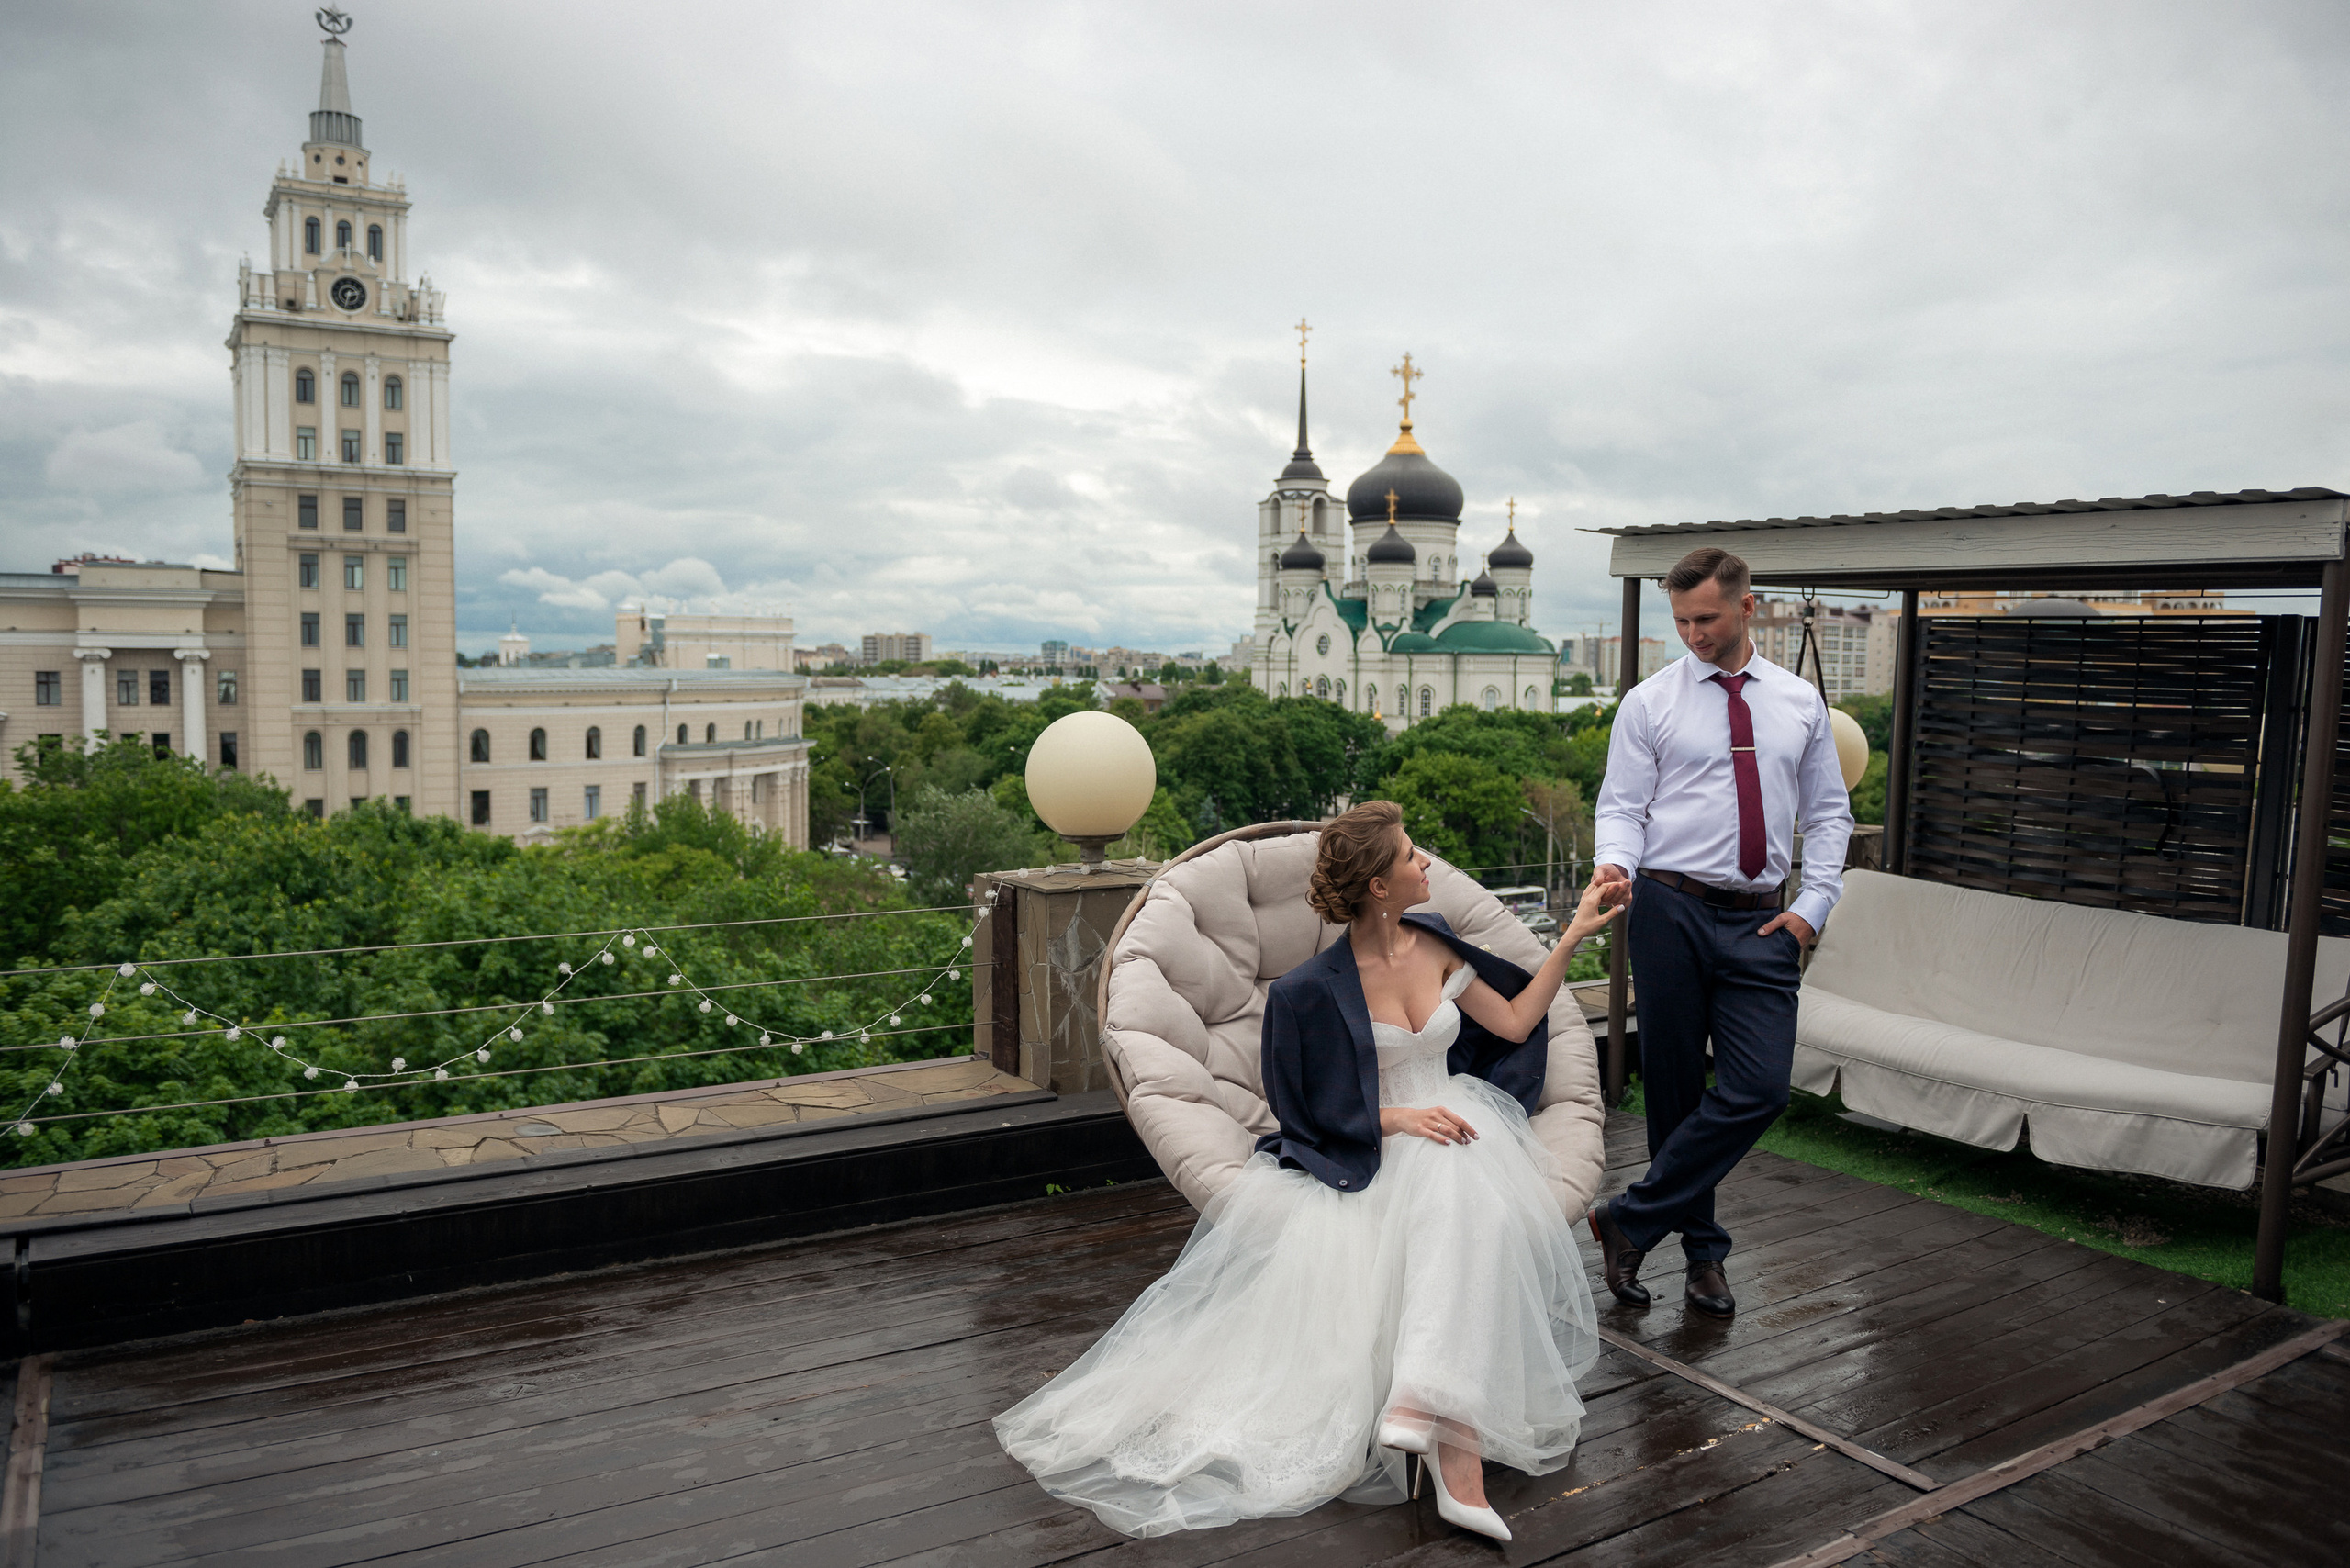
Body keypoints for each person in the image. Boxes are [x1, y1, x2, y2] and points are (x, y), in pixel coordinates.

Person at [993, 801, 1617, 1541]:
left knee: (1460, 1186)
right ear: (1379, 888)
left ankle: (1422, 1409)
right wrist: (1396, 1119)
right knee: (1448, 1187)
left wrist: (1575, 932)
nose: (1427, 865)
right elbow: (1299, 1113)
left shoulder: (1437, 941)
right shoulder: (1308, 991)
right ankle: (1458, 1463)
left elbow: (1513, 1024)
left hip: (1460, 1124)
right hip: (1372, 1146)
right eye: (1412, 856)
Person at [1587, 546, 1853, 1319]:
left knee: (1758, 1089)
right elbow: (1622, 807)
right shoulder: (1650, 703)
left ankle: (1627, 1220)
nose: (1693, 635)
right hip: (1668, 909)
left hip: (1764, 919)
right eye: (1680, 621)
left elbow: (1830, 815)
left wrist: (1813, 907)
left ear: (1748, 606)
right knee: (1673, 1090)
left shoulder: (1800, 703)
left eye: (1705, 618)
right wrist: (1615, 866)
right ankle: (1703, 1258)